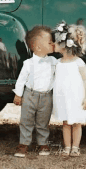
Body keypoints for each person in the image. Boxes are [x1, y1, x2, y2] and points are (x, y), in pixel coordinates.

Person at [12, 25, 57, 158]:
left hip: (46, 97)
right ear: (37, 47)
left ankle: (43, 143)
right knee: (26, 121)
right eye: (50, 42)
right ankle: (23, 144)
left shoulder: (54, 61)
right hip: (29, 95)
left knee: (43, 122)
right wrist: (18, 94)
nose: (53, 44)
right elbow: (21, 79)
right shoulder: (28, 63)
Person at [52, 21, 86, 157]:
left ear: (65, 45)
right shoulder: (57, 63)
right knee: (65, 122)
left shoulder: (79, 62)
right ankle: (67, 147)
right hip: (63, 98)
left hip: (76, 98)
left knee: (76, 123)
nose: (54, 44)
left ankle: (75, 147)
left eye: (57, 42)